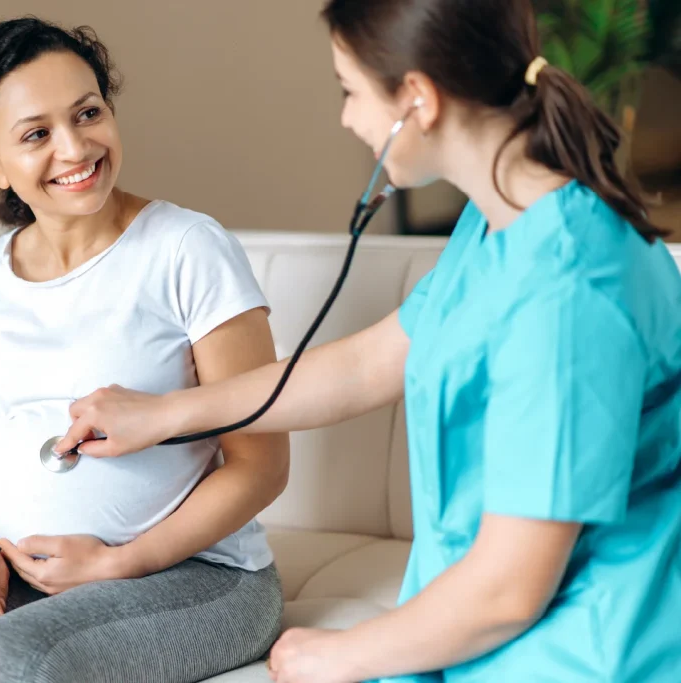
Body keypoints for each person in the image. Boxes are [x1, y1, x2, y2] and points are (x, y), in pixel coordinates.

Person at [56, 1, 681, 681]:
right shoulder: (503, 222)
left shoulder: (569, 291)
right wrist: (166, 412)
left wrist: (338, 653)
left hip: (588, 650)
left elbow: (508, 591)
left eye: (350, 91)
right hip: (473, 626)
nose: (348, 117)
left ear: (417, 99)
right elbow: (367, 363)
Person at [0, 17, 289, 683]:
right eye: (36, 133)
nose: (75, 146)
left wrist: (122, 560)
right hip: (28, 574)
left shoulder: (186, 249)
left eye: (88, 113)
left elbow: (262, 463)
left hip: (198, 575)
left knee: (6, 663)